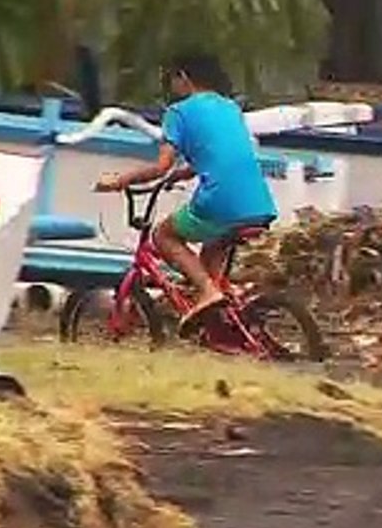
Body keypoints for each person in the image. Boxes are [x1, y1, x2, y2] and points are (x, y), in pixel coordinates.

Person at [94, 54, 277, 332]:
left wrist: (120, 180)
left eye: (172, 79)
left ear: (183, 77)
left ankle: (207, 291)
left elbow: (160, 165)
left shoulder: (178, 113)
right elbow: (221, 153)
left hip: (221, 201)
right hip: (257, 202)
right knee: (210, 252)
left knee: (163, 235)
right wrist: (185, 173)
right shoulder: (229, 108)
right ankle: (217, 324)